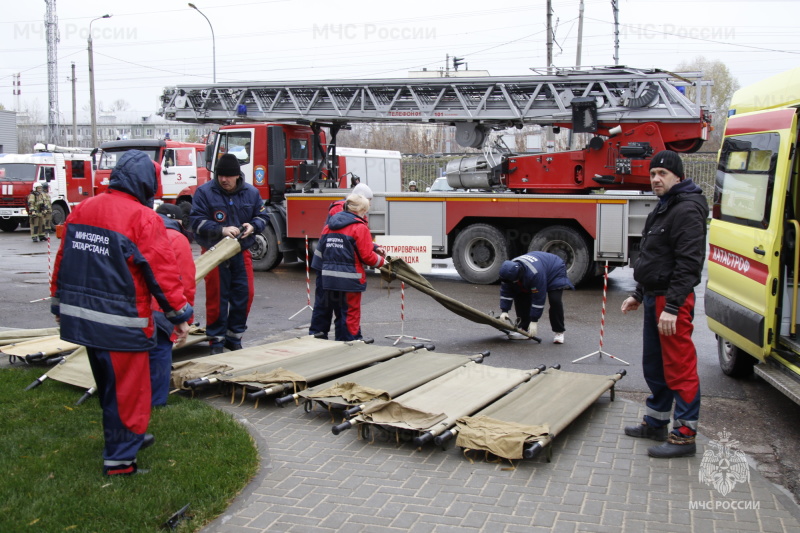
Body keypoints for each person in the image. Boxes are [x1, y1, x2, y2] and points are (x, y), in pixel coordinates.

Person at [50, 150, 193, 476]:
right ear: (146, 183)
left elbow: (64, 260)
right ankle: (120, 463)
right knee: (130, 393)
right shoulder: (143, 218)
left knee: (111, 388)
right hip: (120, 324)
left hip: (83, 320)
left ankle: (127, 439)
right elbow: (163, 274)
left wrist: (58, 305)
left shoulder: (84, 208)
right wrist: (179, 315)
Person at [621, 150, 708, 459]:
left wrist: (672, 307)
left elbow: (689, 264)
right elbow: (651, 256)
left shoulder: (686, 210)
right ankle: (656, 422)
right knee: (655, 365)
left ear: (678, 177)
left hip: (672, 301)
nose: (656, 179)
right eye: (653, 174)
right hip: (653, 297)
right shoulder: (663, 207)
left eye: (662, 174)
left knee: (679, 367)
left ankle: (684, 436)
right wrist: (637, 292)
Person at [190, 153, 269, 354]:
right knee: (217, 298)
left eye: (228, 176)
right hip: (215, 253)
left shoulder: (251, 193)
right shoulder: (204, 192)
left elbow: (263, 216)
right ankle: (216, 341)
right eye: (220, 175)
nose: (223, 179)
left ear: (237, 176)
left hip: (241, 252)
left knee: (245, 294)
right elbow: (195, 221)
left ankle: (234, 337)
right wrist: (221, 229)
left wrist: (253, 226)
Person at [309, 193, 386, 341]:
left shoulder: (330, 225)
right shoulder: (359, 227)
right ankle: (349, 344)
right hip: (350, 280)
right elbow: (367, 257)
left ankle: (317, 341)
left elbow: (321, 251)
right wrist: (383, 262)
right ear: (361, 210)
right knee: (349, 314)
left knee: (324, 308)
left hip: (328, 279)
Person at [149, 203, 196, 407]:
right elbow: (185, 282)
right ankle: (156, 402)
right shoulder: (178, 239)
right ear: (178, 221)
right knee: (160, 352)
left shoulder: (139, 231)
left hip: (132, 305)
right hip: (162, 309)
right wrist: (185, 319)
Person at [497, 251, 574, 343]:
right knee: (520, 295)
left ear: (519, 275)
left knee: (555, 300)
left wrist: (534, 320)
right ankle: (524, 329)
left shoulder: (535, 274)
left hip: (554, 269)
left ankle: (559, 331)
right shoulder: (508, 272)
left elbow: (538, 298)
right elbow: (506, 291)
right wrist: (504, 310)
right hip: (540, 266)